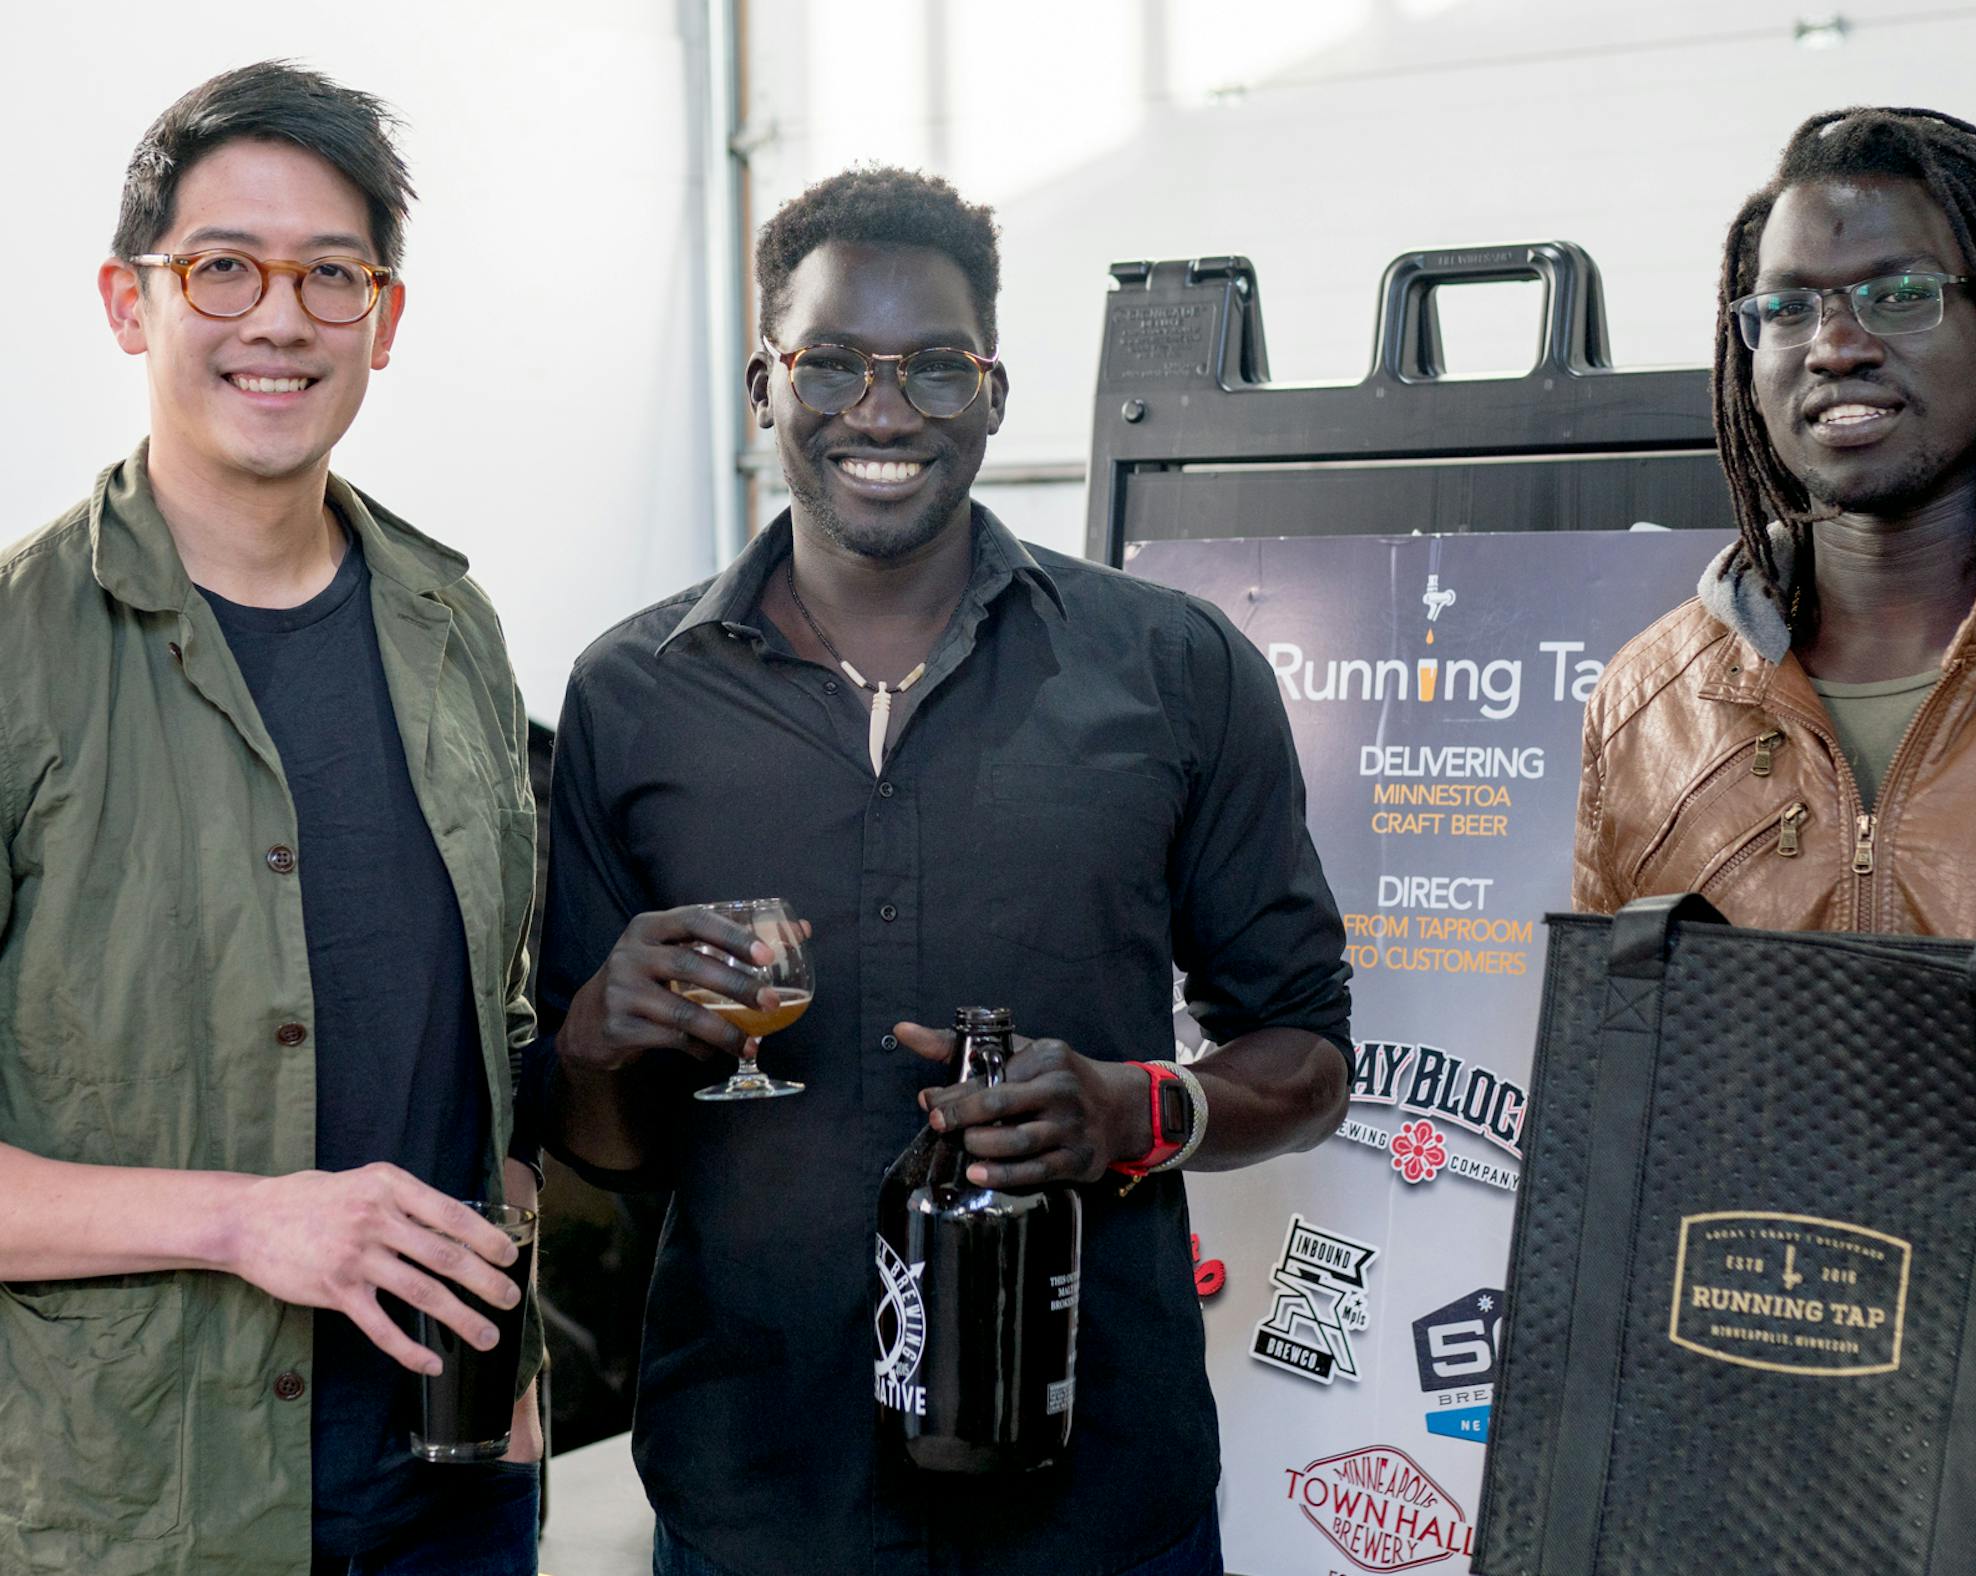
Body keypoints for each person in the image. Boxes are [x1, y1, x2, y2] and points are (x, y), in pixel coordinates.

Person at [537, 166, 1352, 1576]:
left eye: (933, 368)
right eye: (834, 363)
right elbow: (601, 1142)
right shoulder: (631, 695)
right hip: (755, 1504)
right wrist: (600, 1040)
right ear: (764, 383)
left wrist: (1137, 1111)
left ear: (993, 393)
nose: (882, 409)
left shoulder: (1173, 669)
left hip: (1099, 1503)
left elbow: (1309, 1057)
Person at [1573, 106, 1976, 1571]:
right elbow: (1606, 1132)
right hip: (1738, 1499)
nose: (1834, 342)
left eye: (1898, 293)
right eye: (1788, 306)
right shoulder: (1654, 699)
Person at [0, 62, 544, 1576]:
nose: (280, 318)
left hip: (452, 1502)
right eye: (222, 268)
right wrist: (247, 1223)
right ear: (131, 302)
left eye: (331, 274)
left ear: (385, 316)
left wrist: (515, 1359)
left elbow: (489, 1035)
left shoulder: (455, 629)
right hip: (140, 1517)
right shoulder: (17, 654)